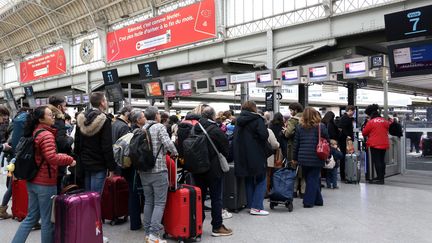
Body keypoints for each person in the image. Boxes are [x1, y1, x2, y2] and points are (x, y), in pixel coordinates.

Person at [11, 106, 75, 243]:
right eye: (50, 115)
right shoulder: (46, 134)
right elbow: (52, 157)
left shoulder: (35, 132)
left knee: (31, 217)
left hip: (32, 181)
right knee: (47, 221)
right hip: (45, 183)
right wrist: (69, 160)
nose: (53, 117)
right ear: (41, 119)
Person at [192, 106, 233, 237]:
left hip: (197, 169)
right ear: (213, 116)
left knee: (199, 199)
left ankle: (196, 226)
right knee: (216, 198)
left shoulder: (194, 128)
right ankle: (217, 226)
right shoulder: (216, 130)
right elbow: (226, 150)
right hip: (213, 169)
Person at [140, 106, 178, 243]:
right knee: (159, 203)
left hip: (143, 171)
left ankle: (147, 232)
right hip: (158, 170)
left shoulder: (141, 128)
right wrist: (175, 152)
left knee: (148, 201)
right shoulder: (159, 127)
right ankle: (154, 235)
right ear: (156, 115)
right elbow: (168, 144)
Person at [75, 92, 116, 193]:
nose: (106, 102)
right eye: (105, 100)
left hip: (85, 163)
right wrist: (111, 167)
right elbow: (106, 146)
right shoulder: (105, 120)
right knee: (96, 197)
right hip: (99, 164)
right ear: (102, 103)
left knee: (87, 197)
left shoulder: (81, 118)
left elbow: (77, 142)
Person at [233, 101, 269, 216]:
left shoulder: (238, 121)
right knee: (261, 179)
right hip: (256, 154)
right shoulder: (257, 119)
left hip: (242, 156)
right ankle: (257, 207)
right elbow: (264, 135)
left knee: (248, 179)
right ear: (254, 108)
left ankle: (250, 205)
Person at [293, 107, 329, 208]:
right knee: (312, 178)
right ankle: (308, 202)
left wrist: (295, 158)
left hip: (303, 158)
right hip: (317, 156)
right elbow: (327, 141)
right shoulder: (320, 127)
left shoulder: (300, 127)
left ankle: (318, 200)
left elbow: (296, 144)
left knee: (310, 178)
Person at [123, 109, 146, 231]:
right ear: (138, 120)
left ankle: (135, 223)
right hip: (135, 169)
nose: (145, 118)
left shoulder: (127, 130)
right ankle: (138, 224)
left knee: (133, 195)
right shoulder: (139, 133)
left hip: (126, 167)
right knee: (139, 195)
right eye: (143, 116)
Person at [47, 95, 74, 194]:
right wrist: (70, 139)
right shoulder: (58, 120)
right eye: (65, 105)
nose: (66, 108)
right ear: (59, 107)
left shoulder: (47, 118)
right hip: (57, 157)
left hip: (47, 157)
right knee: (57, 186)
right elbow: (62, 143)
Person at [362, 104, 390, 185]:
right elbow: (387, 128)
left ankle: (380, 179)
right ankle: (381, 177)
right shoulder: (385, 121)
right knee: (382, 160)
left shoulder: (371, 122)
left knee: (377, 161)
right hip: (384, 143)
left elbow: (364, 133)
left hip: (375, 144)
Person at [283, 102, 304, 198]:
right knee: (303, 170)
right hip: (304, 147)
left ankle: (294, 191)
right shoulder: (306, 118)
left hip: (293, 146)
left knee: (293, 168)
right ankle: (303, 191)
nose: (290, 112)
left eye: (291, 110)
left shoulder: (293, 120)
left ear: (295, 110)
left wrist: (285, 131)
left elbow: (288, 133)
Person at [337, 105, 355, 182]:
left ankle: (345, 175)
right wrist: (348, 136)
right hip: (345, 141)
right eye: (353, 111)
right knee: (344, 158)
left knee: (345, 157)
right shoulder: (345, 118)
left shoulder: (346, 118)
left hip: (345, 140)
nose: (354, 113)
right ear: (350, 110)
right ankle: (343, 176)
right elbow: (344, 129)